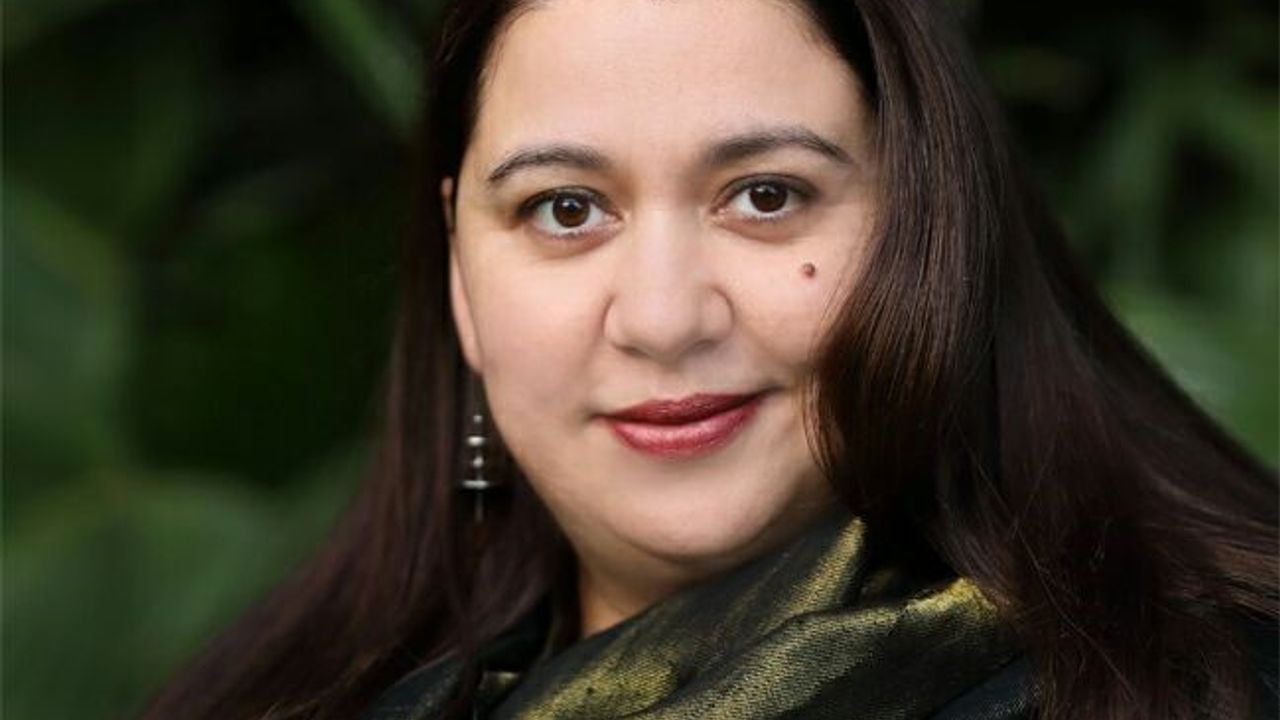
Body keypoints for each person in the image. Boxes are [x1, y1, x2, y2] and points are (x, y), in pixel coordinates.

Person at [142, 0, 1279, 718]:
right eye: (565, 208)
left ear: (929, 228)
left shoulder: (1196, 688)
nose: (662, 317)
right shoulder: (279, 698)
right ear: (459, 276)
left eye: (765, 195)